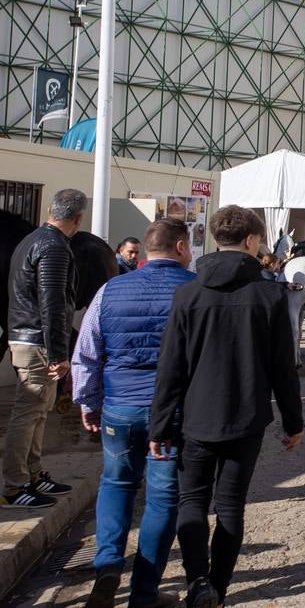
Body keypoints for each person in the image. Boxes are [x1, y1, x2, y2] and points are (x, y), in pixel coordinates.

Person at [149, 205, 304, 608]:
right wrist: (293, 422)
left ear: (217, 239)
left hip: (197, 419)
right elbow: (283, 369)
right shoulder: (269, 295)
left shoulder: (188, 294)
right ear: (251, 241)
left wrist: (160, 426)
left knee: (193, 502)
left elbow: (171, 368)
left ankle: (198, 581)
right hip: (246, 419)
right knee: (231, 505)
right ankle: (217, 585)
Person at [73, 219, 195, 608]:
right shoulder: (193, 290)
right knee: (162, 498)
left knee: (116, 483)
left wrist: (88, 401)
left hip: (119, 407)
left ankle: (108, 565)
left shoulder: (110, 290)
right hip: (171, 412)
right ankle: (143, 594)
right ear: (180, 247)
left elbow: (87, 351)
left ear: (144, 250)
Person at [2, 187, 85, 510]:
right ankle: (14, 484)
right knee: (29, 414)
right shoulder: (53, 247)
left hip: (27, 336)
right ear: (78, 218)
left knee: (37, 413)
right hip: (37, 340)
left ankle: (33, 474)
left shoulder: (33, 240)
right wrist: (58, 354)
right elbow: (51, 301)